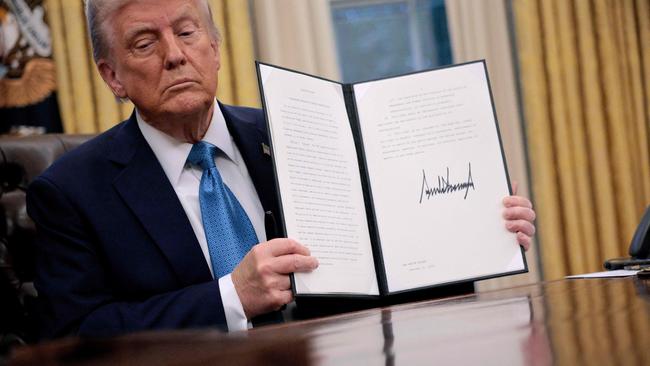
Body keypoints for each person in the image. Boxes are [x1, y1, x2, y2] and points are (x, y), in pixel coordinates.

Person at [26, 0, 536, 339]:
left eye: (187, 32)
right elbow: (75, 337)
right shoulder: (70, 192)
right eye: (145, 43)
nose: (176, 55)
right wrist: (231, 298)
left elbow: (390, 267)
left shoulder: (306, 134)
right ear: (111, 75)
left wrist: (472, 230)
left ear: (216, 48)